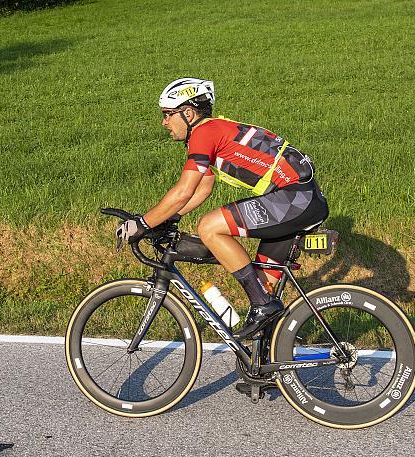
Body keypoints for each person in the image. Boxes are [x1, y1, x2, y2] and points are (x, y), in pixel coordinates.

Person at [116, 78, 329, 338]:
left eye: (168, 115)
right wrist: (170, 218)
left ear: (188, 113)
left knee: (209, 227)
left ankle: (263, 305)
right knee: (264, 289)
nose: (164, 122)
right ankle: (263, 373)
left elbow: (184, 190)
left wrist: (143, 223)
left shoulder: (205, 133)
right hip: (299, 199)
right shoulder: (211, 131)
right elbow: (202, 188)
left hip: (294, 198)